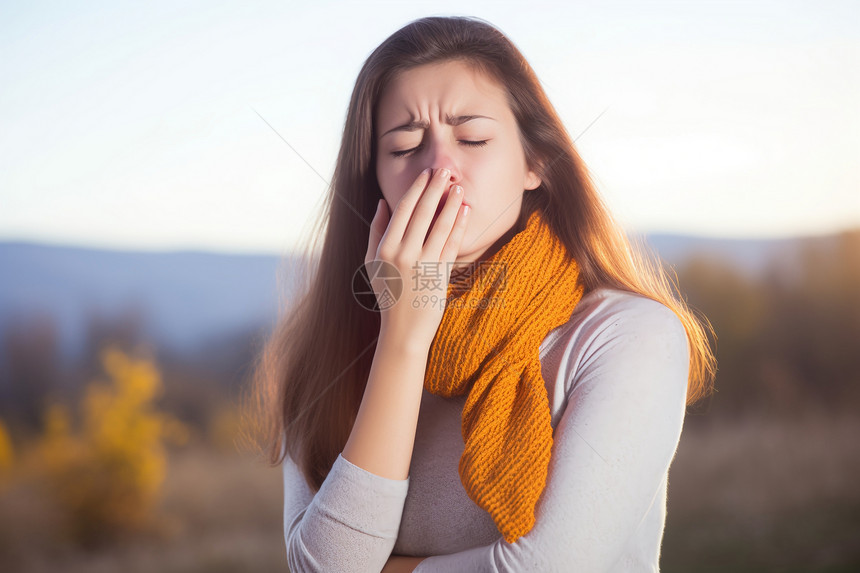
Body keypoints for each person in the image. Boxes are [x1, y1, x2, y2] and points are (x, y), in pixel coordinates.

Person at [248, 15, 715, 573]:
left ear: (535, 162)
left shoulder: (627, 335)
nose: (440, 168)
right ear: (373, 180)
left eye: (472, 138)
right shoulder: (326, 349)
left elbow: (549, 568)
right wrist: (402, 339)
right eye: (403, 148)